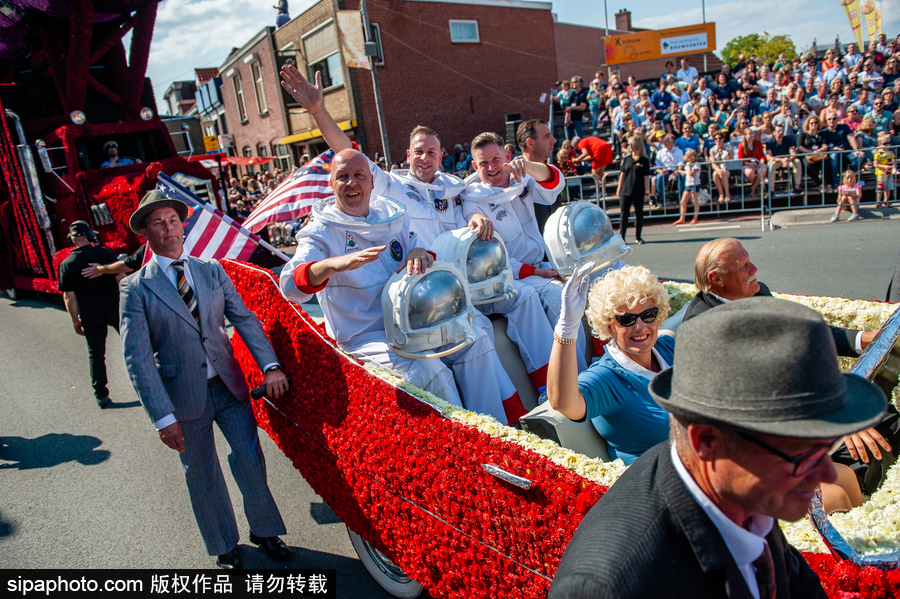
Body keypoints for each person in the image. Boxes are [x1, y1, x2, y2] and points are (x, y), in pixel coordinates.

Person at [549, 296, 887, 599]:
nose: (824, 470)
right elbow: (566, 402)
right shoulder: (611, 586)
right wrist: (565, 332)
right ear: (707, 442)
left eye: (649, 314)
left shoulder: (744, 489)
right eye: (800, 454)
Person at [280, 67, 554, 394]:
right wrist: (317, 110)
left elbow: (486, 204)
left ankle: (549, 390)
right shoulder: (391, 190)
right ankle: (490, 428)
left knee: (526, 298)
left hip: (468, 285)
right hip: (428, 296)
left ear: (442, 158)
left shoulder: (455, 189)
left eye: (431, 153)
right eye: (418, 152)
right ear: (407, 155)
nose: (424, 159)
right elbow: (350, 158)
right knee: (475, 336)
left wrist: (476, 220)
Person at [280, 148, 527, 424]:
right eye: (343, 177)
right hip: (368, 335)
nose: (351, 183)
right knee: (429, 369)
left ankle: (500, 430)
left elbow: (420, 250)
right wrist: (332, 265)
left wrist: (418, 252)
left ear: (372, 181)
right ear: (331, 184)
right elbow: (290, 284)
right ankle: (463, 446)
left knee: (475, 340)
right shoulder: (321, 231)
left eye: (359, 175)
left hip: (415, 323)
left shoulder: (390, 215)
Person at [119, 191, 291, 570]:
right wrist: (163, 418)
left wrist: (271, 365)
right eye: (159, 222)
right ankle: (223, 544)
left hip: (229, 388)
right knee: (202, 472)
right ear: (145, 232)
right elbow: (138, 357)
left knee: (250, 459)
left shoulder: (211, 270)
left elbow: (244, 319)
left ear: (182, 226)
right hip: (183, 397)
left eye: (173, 220)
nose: (169, 228)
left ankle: (264, 531)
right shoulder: (136, 288)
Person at [548, 264, 673, 465]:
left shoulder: (668, 348)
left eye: (648, 315)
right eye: (627, 319)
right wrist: (567, 328)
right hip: (662, 482)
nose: (640, 326)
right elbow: (563, 403)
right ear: (608, 326)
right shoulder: (607, 378)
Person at [58, 221, 120, 409]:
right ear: (90, 235)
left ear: (72, 239)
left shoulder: (67, 264)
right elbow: (121, 279)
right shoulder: (105, 253)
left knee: (96, 354)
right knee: (135, 346)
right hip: (114, 308)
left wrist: (75, 321)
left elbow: (70, 298)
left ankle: (101, 395)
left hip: (90, 314)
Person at [517, 119, 562, 233]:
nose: (554, 140)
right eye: (547, 137)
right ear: (530, 143)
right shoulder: (511, 177)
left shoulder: (551, 171)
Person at [614, 135, 651, 244]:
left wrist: (647, 192)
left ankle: (638, 236)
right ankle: (622, 238)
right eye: (629, 144)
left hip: (638, 190)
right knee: (624, 214)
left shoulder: (644, 160)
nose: (630, 146)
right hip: (626, 190)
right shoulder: (627, 158)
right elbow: (622, 174)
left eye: (632, 144)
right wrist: (619, 188)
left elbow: (646, 178)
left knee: (639, 214)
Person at [766, 125, 802, 195]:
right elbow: (769, 157)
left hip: (788, 160)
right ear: (774, 132)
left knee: (797, 162)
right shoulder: (769, 142)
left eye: (782, 131)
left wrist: (788, 159)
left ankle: (798, 187)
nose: (781, 133)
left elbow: (793, 154)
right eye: (779, 131)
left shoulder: (789, 139)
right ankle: (771, 189)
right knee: (771, 164)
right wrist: (781, 160)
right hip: (777, 161)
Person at [652, 134, 684, 208]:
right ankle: (661, 200)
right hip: (665, 172)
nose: (664, 143)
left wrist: (677, 171)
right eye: (664, 141)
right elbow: (657, 166)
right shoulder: (660, 152)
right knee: (659, 177)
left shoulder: (679, 151)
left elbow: (680, 164)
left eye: (666, 141)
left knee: (682, 176)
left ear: (672, 142)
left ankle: (680, 199)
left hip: (675, 171)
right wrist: (661, 171)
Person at [674, 149, 700, 225]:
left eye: (693, 156)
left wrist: (689, 166)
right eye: (690, 156)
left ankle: (695, 218)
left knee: (695, 201)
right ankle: (682, 218)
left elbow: (691, 173)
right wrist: (679, 171)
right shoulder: (687, 164)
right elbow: (687, 173)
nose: (691, 157)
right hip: (688, 184)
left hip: (695, 184)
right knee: (683, 201)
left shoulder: (696, 164)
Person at [873, 131, 896, 209]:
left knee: (888, 188)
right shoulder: (878, 153)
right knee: (880, 189)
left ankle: (886, 201)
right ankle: (878, 202)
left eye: (889, 143)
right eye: (885, 144)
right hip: (881, 173)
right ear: (879, 144)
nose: (887, 145)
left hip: (889, 173)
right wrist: (884, 166)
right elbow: (875, 164)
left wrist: (894, 168)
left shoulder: (890, 152)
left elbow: (893, 161)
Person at [709, 131, 732, 204]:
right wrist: (718, 169)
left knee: (723, 173)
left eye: (720, 138)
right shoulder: (712, 150)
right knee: (715, 174)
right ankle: (721, 194)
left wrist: (726, 167)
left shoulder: (729, 147)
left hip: (728, 167)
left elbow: (731, 160)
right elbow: (713, 163)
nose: (718, 140)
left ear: (723, 139)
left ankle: (727, 193)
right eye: (716, 139)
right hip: (718, 168)